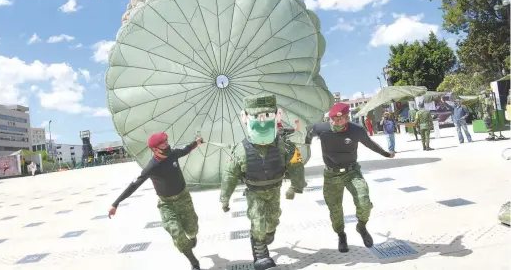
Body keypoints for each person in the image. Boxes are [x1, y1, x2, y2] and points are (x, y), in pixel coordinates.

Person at [220, 94, 306, 270]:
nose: (262, 122)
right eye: (256, 117)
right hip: (255, 193)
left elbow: (296, 165)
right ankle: (261, 256)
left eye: (267, 116)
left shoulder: (284, 146)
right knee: (257, 221)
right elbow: (229, 175)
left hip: (275, 189)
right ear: (245, 118)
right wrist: (225, 198)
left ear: (277, 115)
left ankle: (269, 232)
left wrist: (295, 187)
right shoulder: (240, 150)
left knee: (273, 219)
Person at [305, 103, 395, 253]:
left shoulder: (356, 131)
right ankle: (341, 235)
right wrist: (305, 143)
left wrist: (386, 154)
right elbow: (308, 133)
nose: (336, 122)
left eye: (340, 120)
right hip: (331, 174)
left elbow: (370, 144)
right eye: (333, 119)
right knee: (335, 209)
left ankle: (361, 226)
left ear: (347, 118)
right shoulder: (321, 128)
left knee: (364, 201)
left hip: (352, 171)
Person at [108, 133, 204, 270]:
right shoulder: (152, 167)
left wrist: (197, 142)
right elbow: (134, 185)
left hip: (183, 198)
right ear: (155, 149)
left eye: (166, 141)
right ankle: (194, 262)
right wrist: (115, 203)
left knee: (192, 228)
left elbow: (186, 149)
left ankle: (193, 237)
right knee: (176, 232)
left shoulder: (173, 154)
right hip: (167, 204)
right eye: (163, 144)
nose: (166, 144)